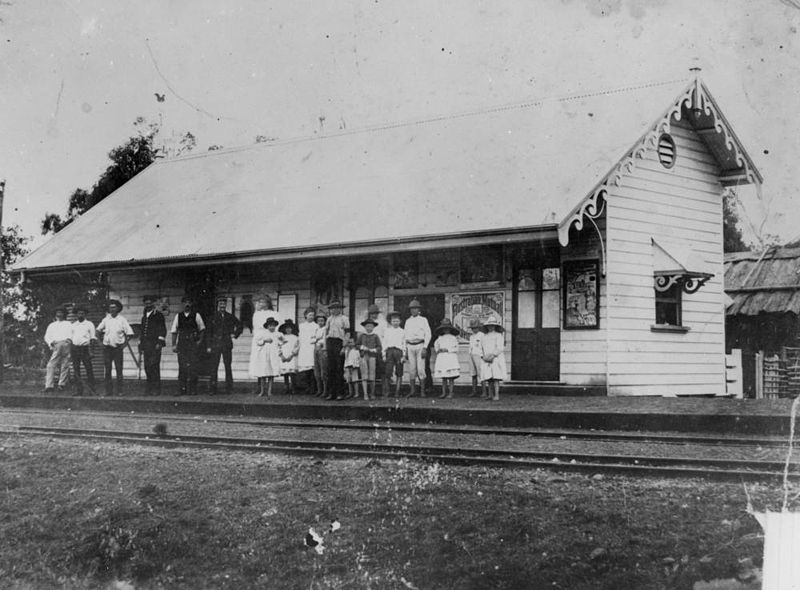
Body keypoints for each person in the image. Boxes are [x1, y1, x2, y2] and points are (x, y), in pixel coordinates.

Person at [205, 295, 243, 395]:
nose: (222, 305)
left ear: (226, 305)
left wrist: (235, 334)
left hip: (226, 344)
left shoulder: (230, 316)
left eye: (224, 303)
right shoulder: (212, 317)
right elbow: (208, 332)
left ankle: (229, 388)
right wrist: (209, 346)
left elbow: (240, 325)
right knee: (214, 367)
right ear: (218, 305)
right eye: (220, 303)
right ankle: (212, 389)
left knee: (228, 366)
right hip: (215, 345)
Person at [95, 299, 134, 396]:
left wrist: (123, 345)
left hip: (117, 349)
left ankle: (120, 391)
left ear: (118, 308)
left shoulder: (122, 320)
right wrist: (100, 343)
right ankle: (108, 391)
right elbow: (97, 331)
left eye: (114, 307)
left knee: (119, 370)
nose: (112, 309)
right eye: (110, 307)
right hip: (107, 349)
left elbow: (130, 334)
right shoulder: (106, 319)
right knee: (107, 370)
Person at [170, 296, 206, 396]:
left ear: (191, 304)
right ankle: (182, 388)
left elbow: (202, 329)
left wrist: (199, 341)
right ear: (182, 304)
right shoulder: (178, 316)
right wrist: (173, 345)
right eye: (185, 302)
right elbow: (174, 331)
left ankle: (193, 389)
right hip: (182, 343)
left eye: (189, 302)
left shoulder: (196, 315)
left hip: (192, 343)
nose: (187, 304)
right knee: (182, 366)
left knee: (193, 366)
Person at [248, 294, 281, 395]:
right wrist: (259, 338)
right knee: (259, 362)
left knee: (269, 362)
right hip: (259, 339)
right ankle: (260, 387)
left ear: (268, 303)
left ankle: (269, 389)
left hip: (270, 339)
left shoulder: (274, 313)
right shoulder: (256, 314)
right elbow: (254, 328)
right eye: (260, 302)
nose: (262, 304)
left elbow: (277, 327)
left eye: (264, 302)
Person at [139, 295, 167, 396]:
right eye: (146, 303)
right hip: (146, 345)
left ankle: (156, 389)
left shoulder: (158, 315)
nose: (148, 304)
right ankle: (149, 388)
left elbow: (162, 329)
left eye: (150, 303)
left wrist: (159, 343)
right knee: (147, 367)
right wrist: (141, 345)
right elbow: (142, 332)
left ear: (153, 303)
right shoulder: (144, 316)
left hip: (155, 344)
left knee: (154, 366)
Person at [357, 303, 387, 394]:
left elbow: (385, 337)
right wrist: (363, 347)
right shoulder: (365, 324)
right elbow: (360, 339)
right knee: (366, 370)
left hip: (378, 349)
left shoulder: (382, 323)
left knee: (381, 369)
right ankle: (366, 391)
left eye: (376, 313)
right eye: (372, 313)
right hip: (366, 352)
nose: (374, 315)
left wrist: (382, 350)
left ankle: (382, 390)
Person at [403, 299, 431, 398]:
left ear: (418, 309)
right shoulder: (408, 321)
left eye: (415, 308)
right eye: (411, 309)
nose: (413, 310)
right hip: (410, 346)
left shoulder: (423, 320)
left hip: (420, 345)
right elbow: (405, 336)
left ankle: (422, 391)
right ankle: (412, 391)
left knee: (421, 369)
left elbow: (428, 334)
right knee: (412, 369)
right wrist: (405, 349)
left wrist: (425, 347)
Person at [324, 299, 349, 400]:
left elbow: (347, 333)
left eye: (337, 308)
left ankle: (340, 393)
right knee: (331, 368)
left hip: (339, 343)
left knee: (339, 368)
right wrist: (325, 348)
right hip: (330, 342)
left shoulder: (344, 318)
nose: (334, 310)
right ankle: (331, 393)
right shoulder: (329, 319)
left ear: (340, 309)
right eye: (332, 309)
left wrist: (344, 346)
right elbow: (326, 333)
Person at [69, 305, 97, 396]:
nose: (80, 314)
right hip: (75, 349)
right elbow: (70, 339)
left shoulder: (89, 324)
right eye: (79, 313)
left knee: (89, 368)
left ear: (85, 314)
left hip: (85, 349)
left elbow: (93, 338)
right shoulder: (73, 325)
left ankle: (92, 390)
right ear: (76, 314)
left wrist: (91, 351)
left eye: (82, 313)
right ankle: (79, 390)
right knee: (76, 370)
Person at [43, 308, 72, 393]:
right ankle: (49, 385)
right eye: (57, 312)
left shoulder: (68, 324)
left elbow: (72, 334)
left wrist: (69, 340)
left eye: (61, 312)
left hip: (65, 344)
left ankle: (61, 384)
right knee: (50, 365)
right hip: (56, 345)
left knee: (65, 364)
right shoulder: (52, 325)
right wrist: (51, 342)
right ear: (55, 314)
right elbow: (47, 336)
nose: (59, 314)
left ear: (64, 314)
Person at [480, 316, 506, 401]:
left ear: (495, 326)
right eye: (489, 325)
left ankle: (497, 395)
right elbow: (481, 348)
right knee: (489, 378)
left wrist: (493, 355)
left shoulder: (499, 336)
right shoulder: (484, 337)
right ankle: (490, 394)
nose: (490, 327)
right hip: (486, 359)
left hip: (495, 358)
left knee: (495, 377)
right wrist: (483, 356)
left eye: (492, 325)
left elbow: (500, 347)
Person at [433, 318, 460, 399]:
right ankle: (443, 392)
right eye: (444, 328)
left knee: (451, 376)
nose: (446, 330)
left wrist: (448, 349)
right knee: (444, 376)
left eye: (447, 328)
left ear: (450, 329)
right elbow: (436, 346)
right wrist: (438, 350)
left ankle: (451, 392)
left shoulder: (453, 338)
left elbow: (456, 348)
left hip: (450, 357)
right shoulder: (440, 338)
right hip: (442, 358)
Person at [256, 316, 283, 397]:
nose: (272, 327)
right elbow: (258, 342)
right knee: (263, 373)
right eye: (270, 325)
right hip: (264, 355)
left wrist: (280, 343)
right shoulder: (263, 333)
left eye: (273, 325)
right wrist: (264, 340)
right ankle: (262, 391)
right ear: (267, 326)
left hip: (273, 355)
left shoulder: (277, 334)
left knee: (271, 374)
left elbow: (282, 341)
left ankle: (269, 391)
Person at [357, 317, 382, 400]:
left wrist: (374, 349)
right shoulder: (361, 336)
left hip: (372, 357)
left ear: (373, 327)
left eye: (371, 326)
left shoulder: (375, 336)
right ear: (364, 327)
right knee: (364, 375)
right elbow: (356, 345)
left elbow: (379, 347)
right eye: (367, 326)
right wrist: (361, 347)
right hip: (363, 356)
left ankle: (372, 393)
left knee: (372, 376)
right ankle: (365, 394)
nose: (369, 328)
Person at [382, 310, 406, 398]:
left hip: (398, 352)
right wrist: (384, 354)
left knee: (399, 372)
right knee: (388, 372)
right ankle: (387, 391)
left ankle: (397, 391)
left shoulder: (402, 331)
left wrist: (404, 355)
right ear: (390, 322)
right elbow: (384, 343)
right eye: (393, 321)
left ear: (400, 321)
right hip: (389, 351)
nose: (395, 322)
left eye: (397, 321)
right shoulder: (387, 331)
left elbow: (404, 344)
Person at [296, 307, 318, 394]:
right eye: (310, 315)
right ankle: (307, 387)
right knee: (306, 369)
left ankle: (314, 387)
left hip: (312, 347)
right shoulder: (301, 326)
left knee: (313, 368)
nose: (311, 317)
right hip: (304, 348)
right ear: (305, 315)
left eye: (313, 315)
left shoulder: (316, 326)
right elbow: (300, 337)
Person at [467, 317, 487, 398]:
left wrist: (483, 355)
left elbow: (484, 346)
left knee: (481, 374)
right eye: (472, 328)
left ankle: (484, 392)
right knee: (473, 374)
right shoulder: (471, 336)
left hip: (479, 356)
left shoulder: (482, 335)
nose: (474, 329)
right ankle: (474, 391)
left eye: (475, 328)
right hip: (471, 355)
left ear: (479, 327)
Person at [278, 319, 300, 394]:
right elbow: (278, 347)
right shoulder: (282, 337)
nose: (288, 329)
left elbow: (297, 347)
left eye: (290, 328)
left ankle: (293, 387)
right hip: (284, 356)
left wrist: (291, 355)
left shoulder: (295, 337)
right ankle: (286, 387)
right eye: (286, 328)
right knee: (285, 373)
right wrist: (281, 356)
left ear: (292, 329)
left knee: (292, 373)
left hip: (292, 357)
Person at [312, 310, 328, 397]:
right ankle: (319, 389)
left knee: (323, 371)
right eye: (319, 321)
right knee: (317, 370)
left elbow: (324, 340)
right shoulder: (317, 329)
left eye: (322, 320)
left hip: (322, 349)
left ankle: (325, 390)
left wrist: (318, 340)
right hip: (316, 349)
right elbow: (313, 340)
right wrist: (316, 340)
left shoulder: (326, 329)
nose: (320, 322)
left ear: (325, 321)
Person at [342, 334, 362, 400]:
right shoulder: (346, 350)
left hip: (354, 367)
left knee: (355, 380)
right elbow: (345, 358)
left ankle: (356, 393)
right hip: (347, 366)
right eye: (349, 342)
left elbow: (358, 359)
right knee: (349, 380)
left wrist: (355, 366)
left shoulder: (356, 351)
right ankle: (350, 393)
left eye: (351, 342)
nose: (350, 344)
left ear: (354, 343)